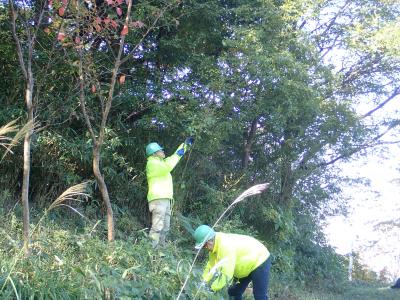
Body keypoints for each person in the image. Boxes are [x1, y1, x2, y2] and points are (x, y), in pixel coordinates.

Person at [193, 225, 271, 300]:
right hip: (245, 265)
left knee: (259, 296)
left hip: (260, 259)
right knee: (233, 292)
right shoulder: (214, 247)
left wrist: (212, 289)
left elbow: (227, 274)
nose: (205, 248)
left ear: (209, 241)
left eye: (203, 246)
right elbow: (211, 266)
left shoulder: (225, 246)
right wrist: (203, 282)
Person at [145, 137, 193, 247]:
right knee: (157, 226)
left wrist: (184, 146)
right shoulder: (152, 163)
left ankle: (160, 251)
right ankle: (151, 250)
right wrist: (179, 154)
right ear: (154, 153)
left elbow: (173, 158)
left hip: (165, 199)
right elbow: (169, 165)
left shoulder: (161, 162)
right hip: (158, 199)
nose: (163, 151)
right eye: (160, 150)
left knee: (165, 227)